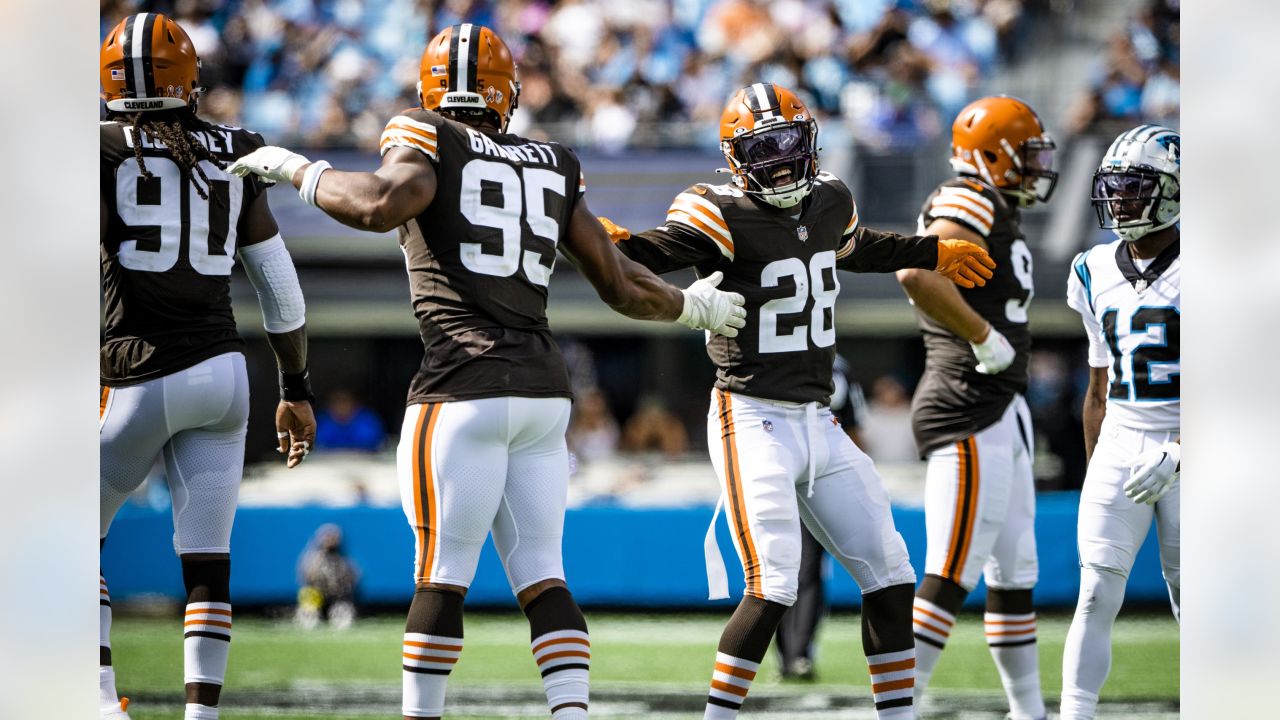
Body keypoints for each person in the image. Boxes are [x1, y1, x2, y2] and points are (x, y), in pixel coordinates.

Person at [228, 23, 746, 720]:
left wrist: (295, 168)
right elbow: (621, 285)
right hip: (541, 394)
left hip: (459, 388)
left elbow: (379, 205)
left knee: (440, 578)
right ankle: (572, 714)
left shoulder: (427, 134)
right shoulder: (553, 161)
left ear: (430, 90)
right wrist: (693, 307)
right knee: (543, 574)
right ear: (508, 94)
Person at [599, 82, 995, 720]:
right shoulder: (717, 211)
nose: (781, 162)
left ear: (809, 140)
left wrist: (932, 251)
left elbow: (854, 247)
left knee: (892, 575)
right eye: (765, 149)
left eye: (789, 144)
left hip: (818, 416)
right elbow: (660, 251)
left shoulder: (832, 196)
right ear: (734, 157)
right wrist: (613, 246)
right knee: (774, 583)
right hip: (750, 414)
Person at [99, 13, 317, 720]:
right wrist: (295, 388)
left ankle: (97, 696)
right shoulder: (234, 149)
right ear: (189, 78)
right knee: (206, 561)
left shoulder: (93, 148)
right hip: (225, 377)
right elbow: (281, 294)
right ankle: (203, 716)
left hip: (135, 368)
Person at [894, 95, 1057, 720]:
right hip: (967, 402)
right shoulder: (969, 195)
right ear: (993, 155)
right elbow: (917, 272)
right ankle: (898, 708)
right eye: (1027, 154)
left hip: (1001, 404)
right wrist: (983, 336)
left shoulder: (998, 205)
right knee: (952, 564)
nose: (1036, 166)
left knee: (1015, 569)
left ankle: (1029, 711)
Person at [1060, 125, 1180, 720]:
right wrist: (1095, 466)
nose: (1120, 199)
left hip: (1191, 447)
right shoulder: (1091, 268)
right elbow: (1098, 386)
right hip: (1122, 441)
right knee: (1094, 592)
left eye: (1135, 187)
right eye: (1115, 186)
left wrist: (1183, 450)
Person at [773, 354, 869, 681]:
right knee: (787, 568)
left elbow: (854, 427)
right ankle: (791, 652)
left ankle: (796, 652)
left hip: (809, 474)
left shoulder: (835, 366)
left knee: (801, 569)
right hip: (791, 472)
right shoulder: (783, 356)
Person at [296, 524, 360, 630]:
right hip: (317, 597)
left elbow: (353, 581)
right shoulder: (312, 560)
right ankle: (309, 616)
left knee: (343, 617)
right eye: (327, 537)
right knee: (308, 598)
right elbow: (305, 579)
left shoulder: (344, 561)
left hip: (337, 599)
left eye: (333, 537)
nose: (330, 540)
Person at [315, 388, 387, 453]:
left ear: (354, 402)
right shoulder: (322, 421)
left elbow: (376, 444)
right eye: (337, 401)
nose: (341, 405)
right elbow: (317, 445)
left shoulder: (368, 420)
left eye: (344, 401)